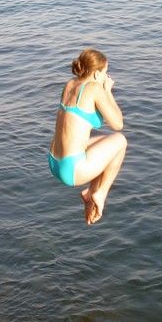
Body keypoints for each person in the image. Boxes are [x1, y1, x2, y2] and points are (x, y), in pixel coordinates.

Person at [48, 49, 127, 225]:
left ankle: (90, 192)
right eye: (105, 72)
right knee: (120, 141)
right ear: (97, 73)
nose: (106, 76)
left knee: (106, 143)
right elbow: (118, 124)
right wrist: (108, 91)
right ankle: (100, 194)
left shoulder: (70, 84)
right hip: (72, 169)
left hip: (54, 161)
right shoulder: (94, 88)